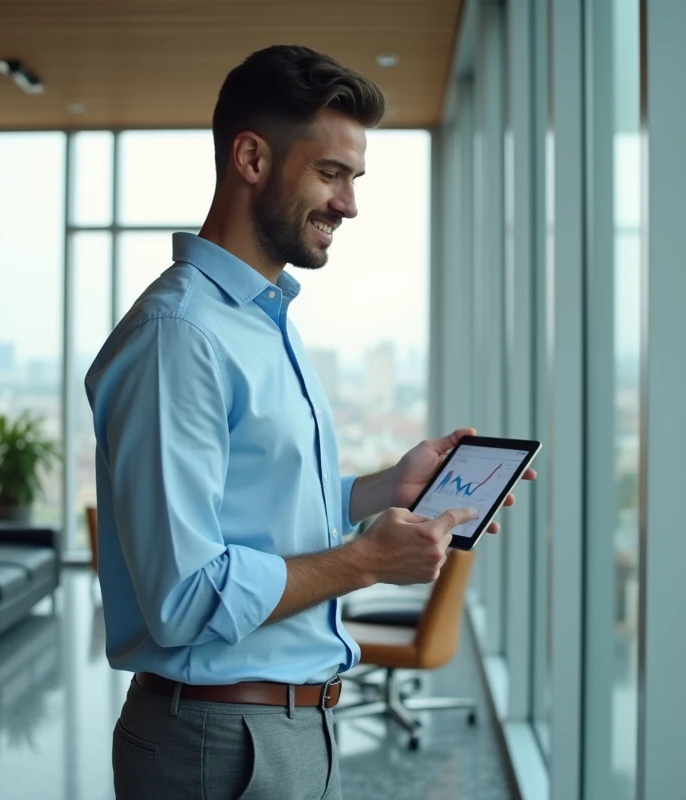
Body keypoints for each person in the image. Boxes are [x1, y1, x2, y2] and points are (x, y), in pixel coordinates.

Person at [85, 45, 535, 800]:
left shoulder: (265, 321)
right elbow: (183, 598)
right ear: (252, 158)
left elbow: (256, 503)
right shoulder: (180, 337)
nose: (349, 204)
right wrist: (365, 562)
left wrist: (382, 488)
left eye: (354, 179)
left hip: (285, 730)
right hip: (216, 745)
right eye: (331, 174)